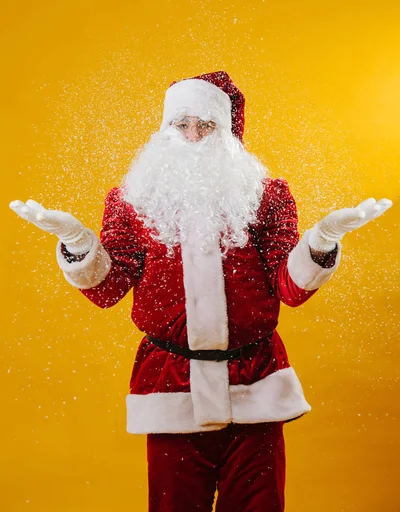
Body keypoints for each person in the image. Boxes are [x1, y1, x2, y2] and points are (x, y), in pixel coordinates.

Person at [10, 70, 392, 512]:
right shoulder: (131, 199)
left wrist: (322, 241)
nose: (193, 136)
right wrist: (77, 243)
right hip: (170, 381)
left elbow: (289, 286)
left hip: (254, 380)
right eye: (182, 124)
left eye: (206, 125)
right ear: (164, 129)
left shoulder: (265, 195)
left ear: (226, 133)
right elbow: (109, 288)